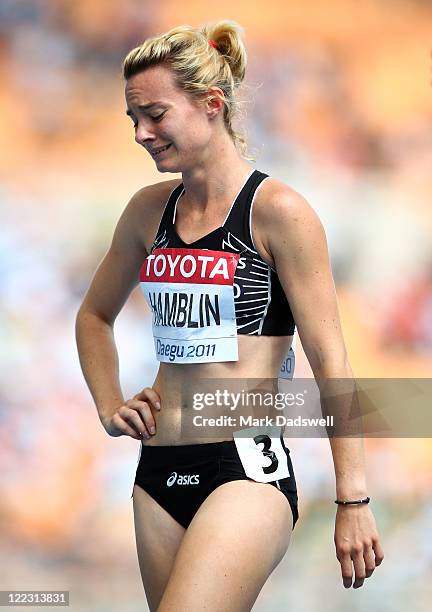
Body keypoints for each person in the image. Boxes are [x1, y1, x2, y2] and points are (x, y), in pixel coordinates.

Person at [75, 20, 384, 611]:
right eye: (132, 119)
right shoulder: (146, 213)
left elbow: (331, 359)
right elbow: (93, 316)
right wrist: (109, 405)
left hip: (243, 467)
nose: (141, 133)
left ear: (211, 103)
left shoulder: (280, 213)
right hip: (157, 469)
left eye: (155, 114)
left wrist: (354, 499)